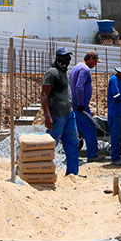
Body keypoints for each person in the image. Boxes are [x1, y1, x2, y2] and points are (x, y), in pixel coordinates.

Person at [41, 47, 80, 176]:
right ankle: (42, 172)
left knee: (73, 143)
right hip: (57, 116)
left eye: (69, 57)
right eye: (65, 56)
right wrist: (47, 116)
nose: (68, 59)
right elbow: (44, 95)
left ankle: (72, 174)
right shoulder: (52, 73)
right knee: (51, 145)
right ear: (58, 58)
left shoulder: (64, 73)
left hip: (69, 114)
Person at [69, 51, 99, 161]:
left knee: (76, 130)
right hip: (80, 106)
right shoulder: (85, 69)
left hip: (74, 104)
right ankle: (92, 155)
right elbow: (79, 86)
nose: (95, 65)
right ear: (91, 59)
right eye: (95, 62)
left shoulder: (76, 67)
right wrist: (81, 104)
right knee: (90, 129)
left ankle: (72, 154)